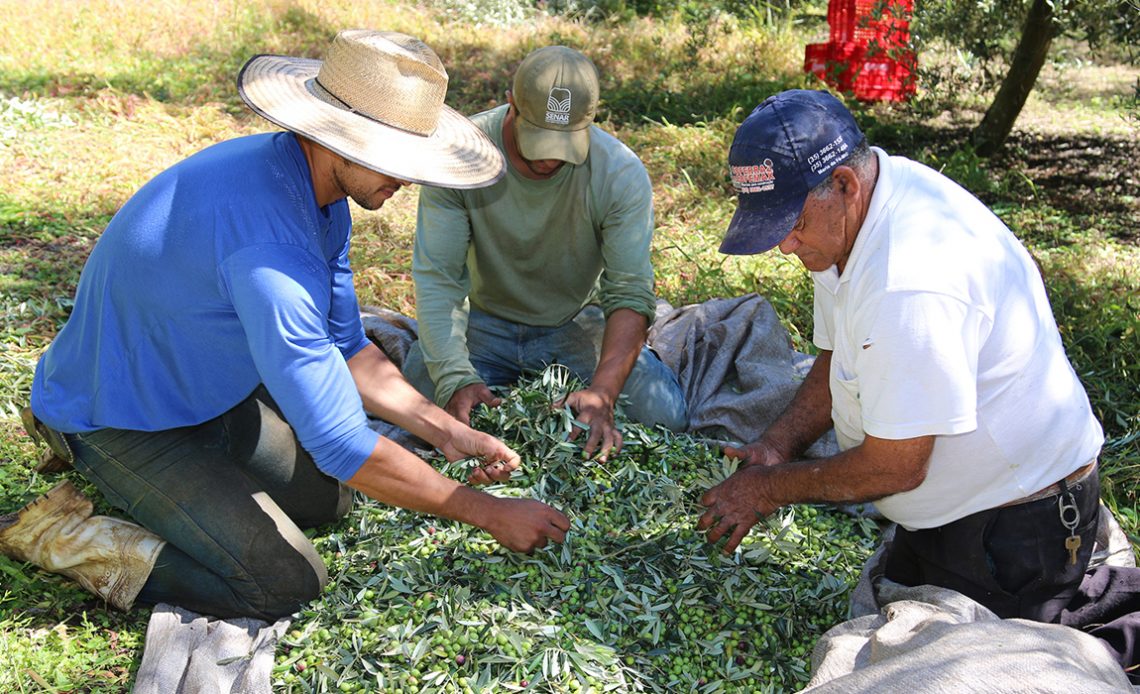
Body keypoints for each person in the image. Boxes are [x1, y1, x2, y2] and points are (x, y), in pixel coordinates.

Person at [0, 29, 570, 621]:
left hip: (209, 396)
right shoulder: (270, 249)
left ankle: (185, 487)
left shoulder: (315, 193)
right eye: (394, 160)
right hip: (120, 419)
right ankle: (66, 539)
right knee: (283, 582)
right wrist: (489, 511)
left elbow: (347, 345)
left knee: (333, 501)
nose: (407, 182)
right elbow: (344, 444)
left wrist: (445, 432)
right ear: (337, 139)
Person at [696, 89, 1138, 680]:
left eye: (791, 223)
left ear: (846, 187)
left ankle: (1084, 608)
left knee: (984, 664)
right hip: (960, 514)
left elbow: (896, 468)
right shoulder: (856, 218)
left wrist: (768, 489)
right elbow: (835, 356)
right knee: (899, 599)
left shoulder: (910, 278)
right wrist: (777, 446)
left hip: (1016, 526)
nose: (784, 244)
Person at [402, 45, 687, 462]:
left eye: (565, 143)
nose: (551, 157)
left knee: (663, 414)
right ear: (511, 104)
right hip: (483, 323)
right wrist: (455, 378)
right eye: (539, 137)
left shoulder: (619, 172)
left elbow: (629, 292)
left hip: (572, 323)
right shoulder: (460, 156)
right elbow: (439, 280)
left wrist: (603, 393)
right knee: (417, 393)